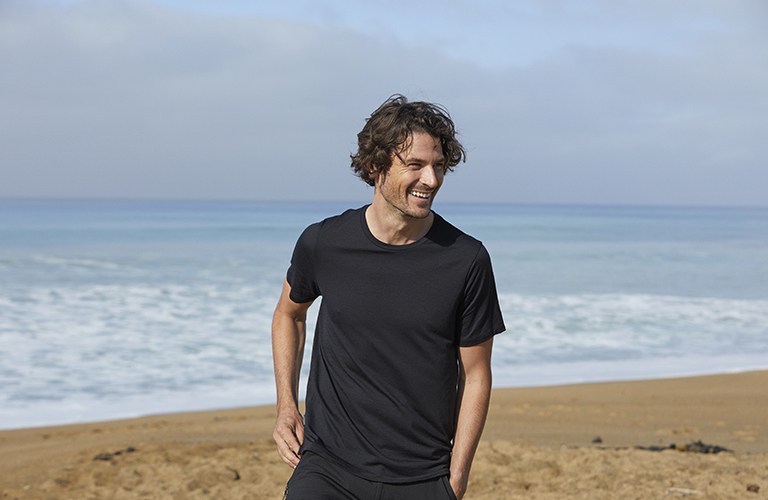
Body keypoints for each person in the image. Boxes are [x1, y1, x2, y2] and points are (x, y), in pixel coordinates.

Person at [272, 95, 505, 500]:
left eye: (438, 165)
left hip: (422, 477)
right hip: (327, 468)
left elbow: (476, 374)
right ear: (375, 166)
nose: (431, 180)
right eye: (415, 165)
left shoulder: (466, 260)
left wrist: (456, 479)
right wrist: (286, 407)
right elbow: (288, 315)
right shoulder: (323, 243)